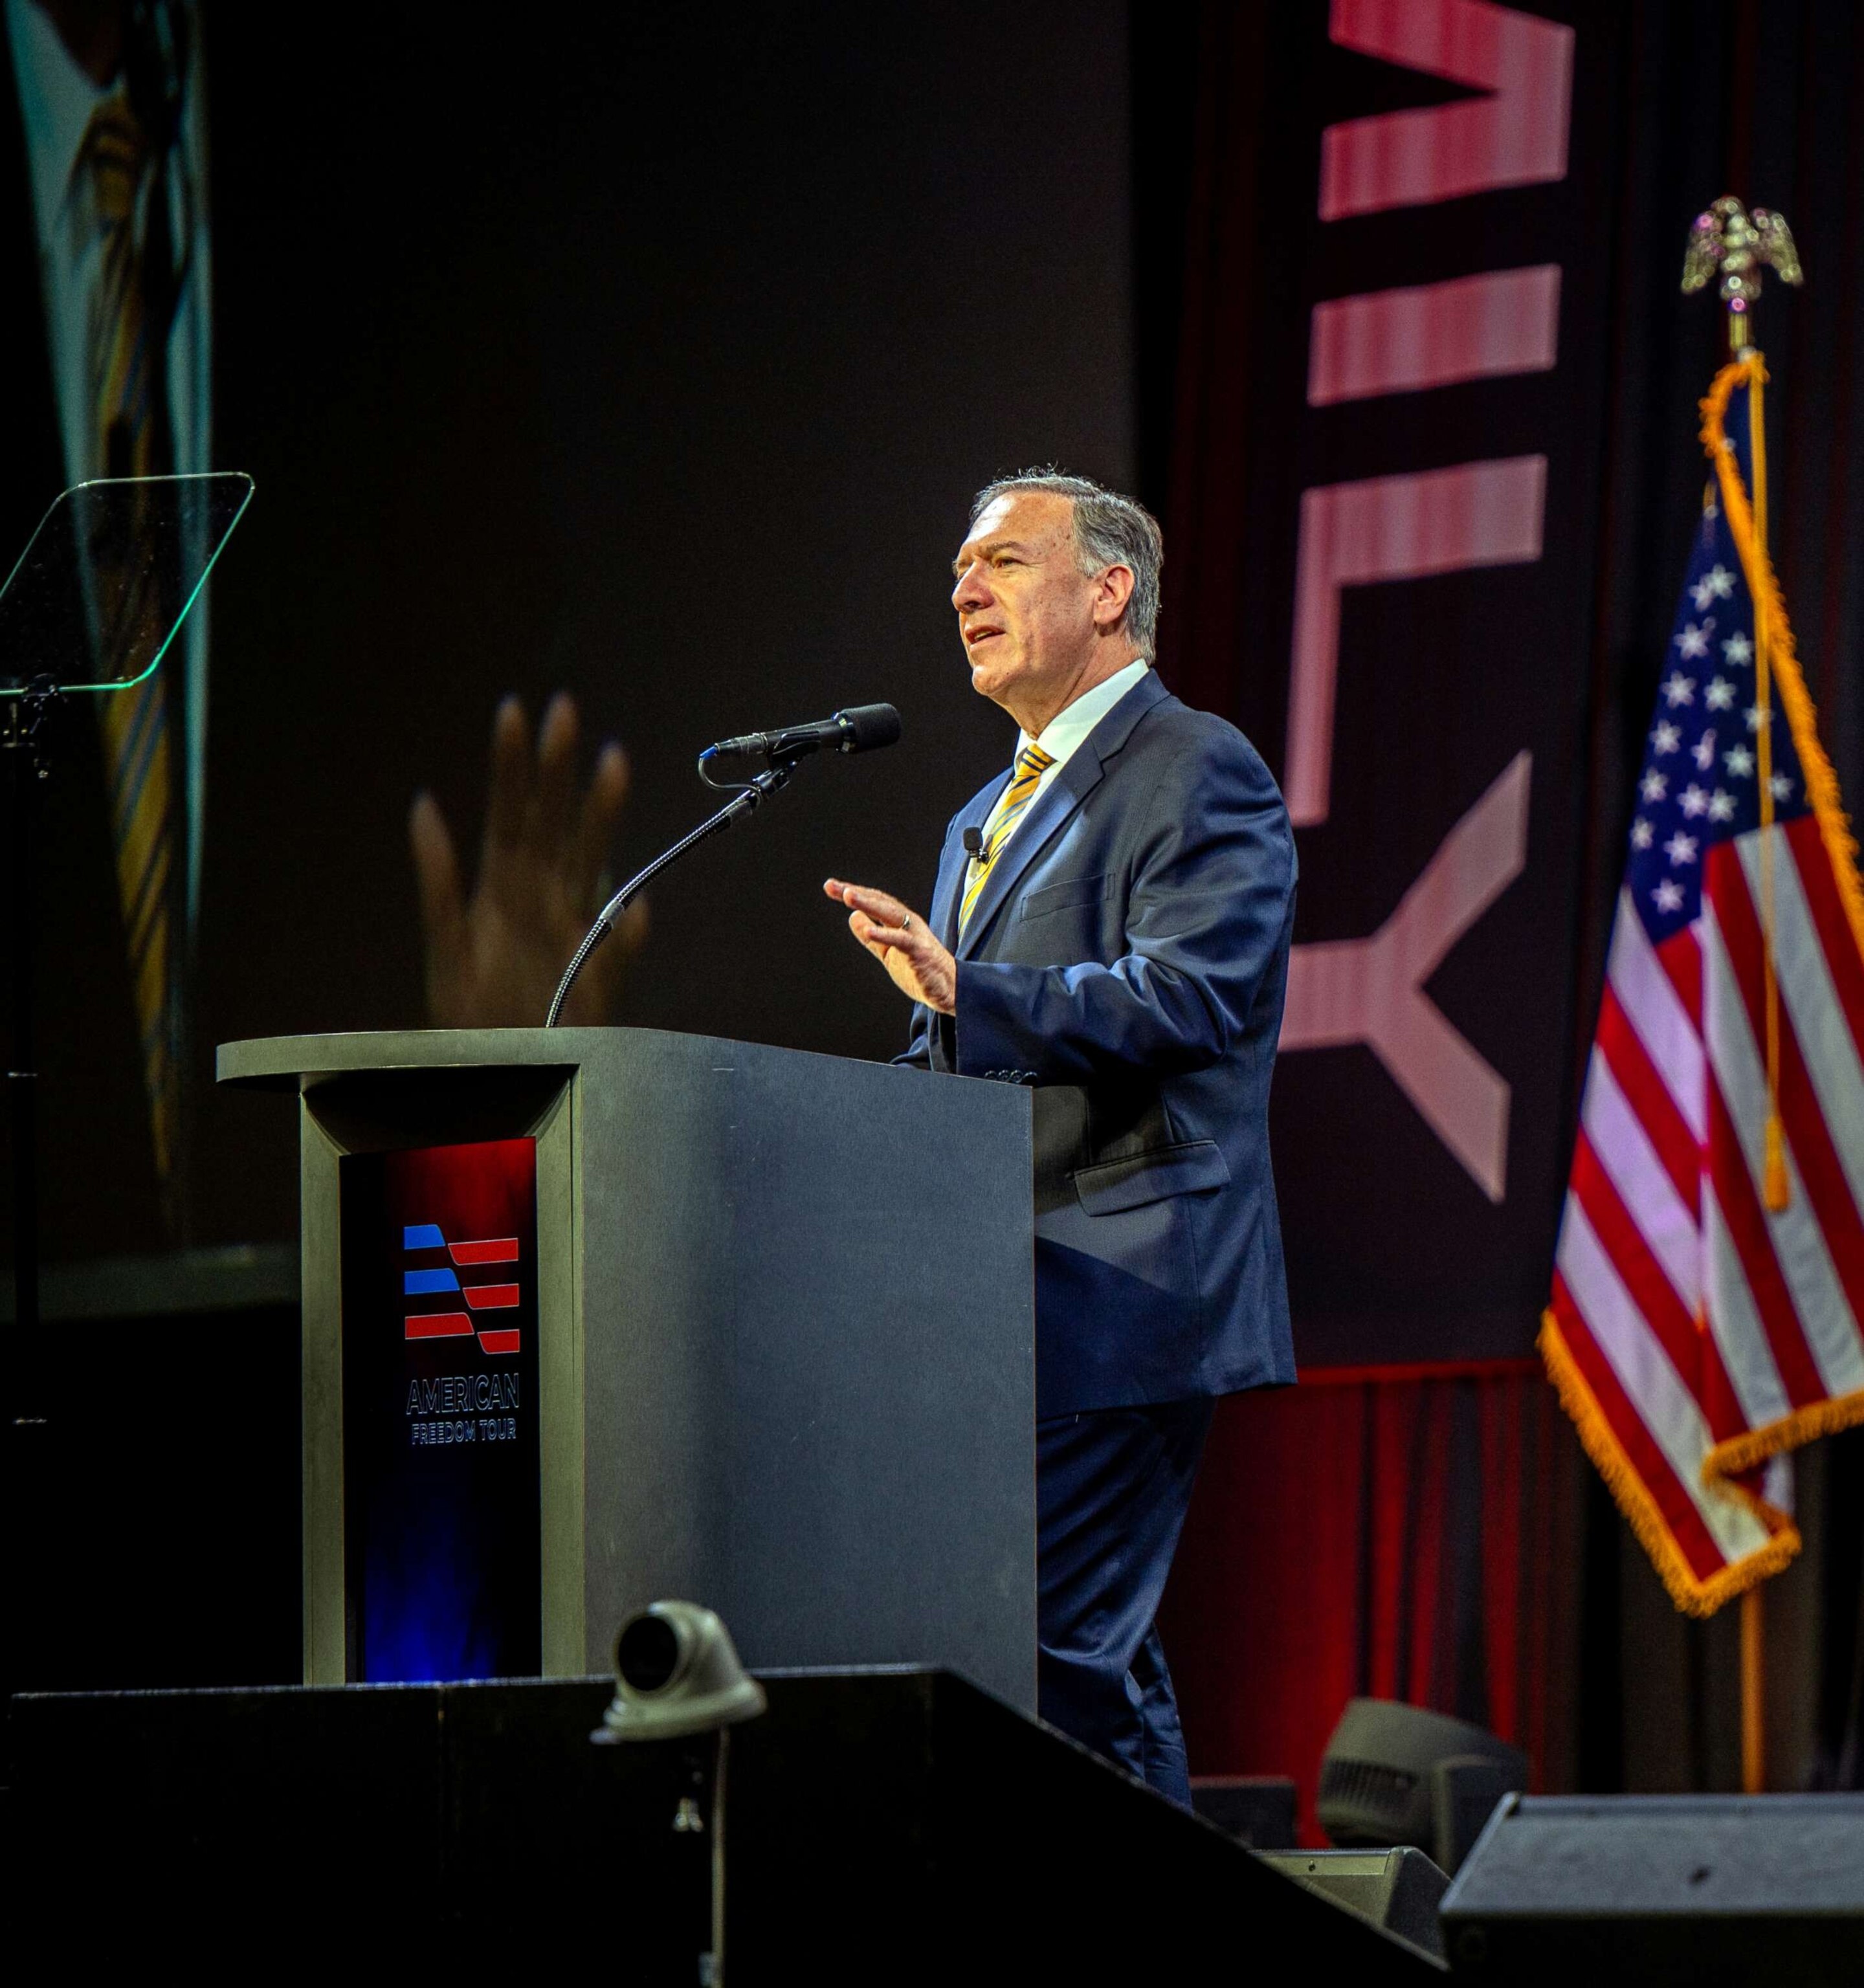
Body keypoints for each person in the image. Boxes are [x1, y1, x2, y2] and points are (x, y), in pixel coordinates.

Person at [825, 471, 1296, 1803]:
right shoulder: (979, 819)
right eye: (960, 571)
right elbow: (959, 1048)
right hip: (991, 1296)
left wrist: (969, 993)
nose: (967, 590)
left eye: (1007, 563)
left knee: (1056, 1648)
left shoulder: (1197, 765)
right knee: (1067, 1655)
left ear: (1109, 592)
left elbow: (1191, 996)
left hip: (1124, 1277)